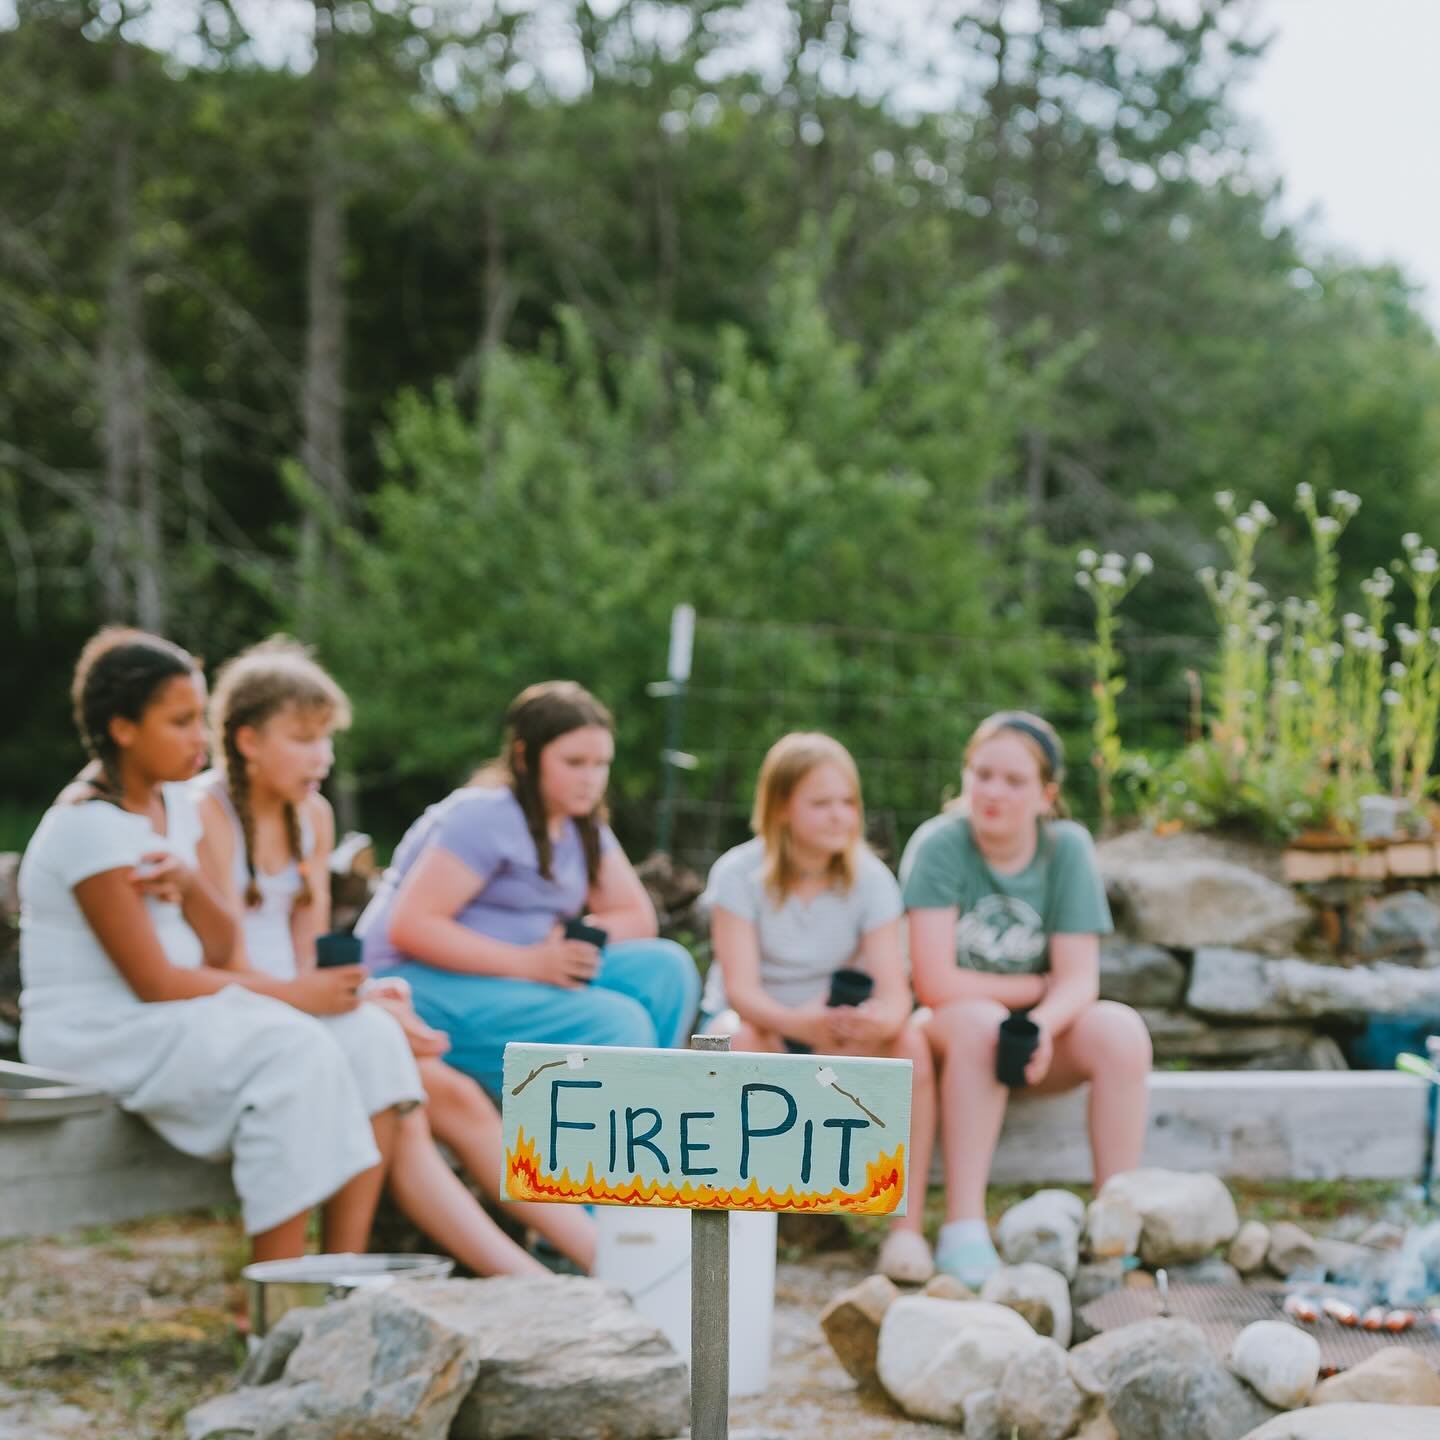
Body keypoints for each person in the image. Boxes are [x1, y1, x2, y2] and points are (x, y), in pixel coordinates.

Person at [195, 637, 593, 1275]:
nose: (322, 757)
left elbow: (309, 953)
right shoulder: (204, 814)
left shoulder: (312, 815)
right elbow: (228, 960)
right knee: (422, 1092)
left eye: (327, 740)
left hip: (300, 1005)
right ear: (246, 740)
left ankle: (587, 1265)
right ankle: (551, 1275)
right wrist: (352, 1009)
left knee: (444, 1092)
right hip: (241, 1015)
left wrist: (365, 998)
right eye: (304, 739)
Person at [18, 628, 417, 1262]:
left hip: (173, 1015)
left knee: (370, 1039)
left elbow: (222, 943)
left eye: (199, 721)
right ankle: (281, 1310)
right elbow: (153, 981)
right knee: (290, 1051)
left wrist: (192, 884)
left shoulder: (175, 804)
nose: (201, 741)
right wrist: (295, 995)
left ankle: (345, 1277)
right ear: (123, 728)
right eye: (179, 723)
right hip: (101, 1031)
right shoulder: (86, 829)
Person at [901, 710, 1152, 1287]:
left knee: (1121, 1032)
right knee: (980, 1020)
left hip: (1034, 1036)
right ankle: (963, 1228)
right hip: (952, 1037)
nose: (993, 792)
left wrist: (1038, 1022)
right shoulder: (939, 845)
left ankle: (1116, 1230)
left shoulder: (1067, 850)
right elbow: (935, 983)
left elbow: (1080, 981)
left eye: (1014, 781)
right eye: (982, 775)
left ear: (1046, 795)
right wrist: (1034, 989)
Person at [359, 681, 701, 1098]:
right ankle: (593, 1145)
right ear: (525, 757)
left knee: (667, 970)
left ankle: (643, 1115)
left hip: (517, 970)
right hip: (415, 981)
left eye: (601, 764)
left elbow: (636, 918)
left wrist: (568, 944)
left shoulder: (581, 823)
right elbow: (411, 926)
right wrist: (532, 962)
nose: (591, 779)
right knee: (617, 1023)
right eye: (575, 762)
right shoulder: (483, 815)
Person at [702, 733, 938, 1284]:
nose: (840, 816)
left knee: (911, 1047)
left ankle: (906, 1228)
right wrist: (794, 1023)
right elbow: (740, 990)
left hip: (829, 1022)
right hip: (763, 1020)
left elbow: (895, 991)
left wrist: (881, 1019)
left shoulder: (871, 880)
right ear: (782, 806)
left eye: (848, 802)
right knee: (740, 1044)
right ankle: (745, 1222)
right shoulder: (738, 875)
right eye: (822, 803)